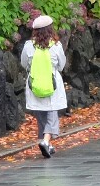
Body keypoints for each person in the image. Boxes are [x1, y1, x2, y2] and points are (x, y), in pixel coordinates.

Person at [19, 14, 67, 159]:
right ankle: (45, 141)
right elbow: (61, 65)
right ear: (50, 30)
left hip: (34, 84)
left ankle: (46, 143)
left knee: (41, 113)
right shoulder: (56, 46)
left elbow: (23, 64)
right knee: (52, 114)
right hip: (52, 84)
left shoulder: (28, 46)